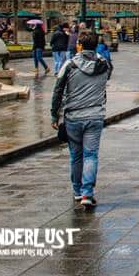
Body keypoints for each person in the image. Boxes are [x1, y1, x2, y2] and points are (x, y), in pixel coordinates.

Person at [51, 30, 112, 209]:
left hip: (73, 116)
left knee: (76, 155)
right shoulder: (104, 65)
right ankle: (87, 193)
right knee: (91, 155)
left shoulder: (69, 65)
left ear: (79, 45)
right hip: (95, 116)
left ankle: (77, 191)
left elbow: (58, 90)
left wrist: (54, 114)